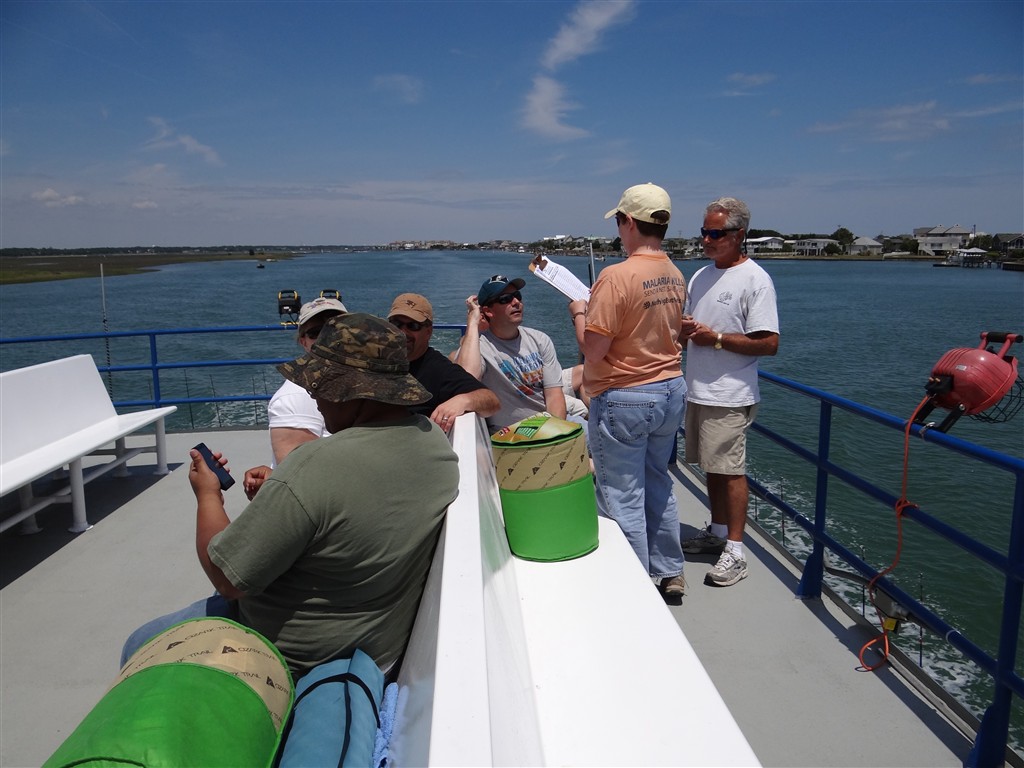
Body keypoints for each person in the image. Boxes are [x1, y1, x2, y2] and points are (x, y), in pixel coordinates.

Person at [121, 313, 460, 680]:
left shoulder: (314, 466)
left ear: (352, 391)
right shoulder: (433, 441)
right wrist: (284, 497)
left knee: (138, 642)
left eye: (321, 385)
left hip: (293, 655)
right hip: (378, 643)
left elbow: (227, 579)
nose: (314, 396)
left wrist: (208, 495)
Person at [568, 182, 687, 598]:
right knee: (658, 480)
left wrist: (579, 313)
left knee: (622, 495)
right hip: (670, 390)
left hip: (626, 397)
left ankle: (634, 591)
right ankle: (670, 570)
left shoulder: (616, 276)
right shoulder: (675, 274)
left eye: (619, 221)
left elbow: (593, 351)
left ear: (629, 222)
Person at [680, 197, 780, 587]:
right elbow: (692, 327)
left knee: (731, 470)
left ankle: (736, 551)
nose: (706, 239)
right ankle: (718, 532)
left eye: (715, 233)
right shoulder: (700, 276)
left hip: (730, 394)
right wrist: (685, 331)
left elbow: (769, 343)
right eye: (704, 232)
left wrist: (717, 339)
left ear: (738, 235)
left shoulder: (756, 280)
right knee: (712, 467)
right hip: (698, 389)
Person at [455, 275, 567, 433]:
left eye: (517, 296)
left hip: (549, 425)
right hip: (512, 434)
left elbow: (554, 395)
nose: (516, 302)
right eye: (505, 299)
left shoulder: (540, 340)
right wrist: (473, 321)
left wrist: (555, 434)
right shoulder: (479, 348)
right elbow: (466, 379)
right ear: (488, 311)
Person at [387, 292, 500, 430]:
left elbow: (491, 401)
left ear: (428, 332)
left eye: (413, 326)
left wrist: (464, 400)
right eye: (396, 324)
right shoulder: (375, 359)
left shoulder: (438, 370)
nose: (403, 332)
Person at [267, 296, 347, 464]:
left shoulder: (357, 380)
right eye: (315, 332)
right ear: (304, 342)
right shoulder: (295, 398)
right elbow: (298, 472)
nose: (327, 337)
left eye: (335, 328)